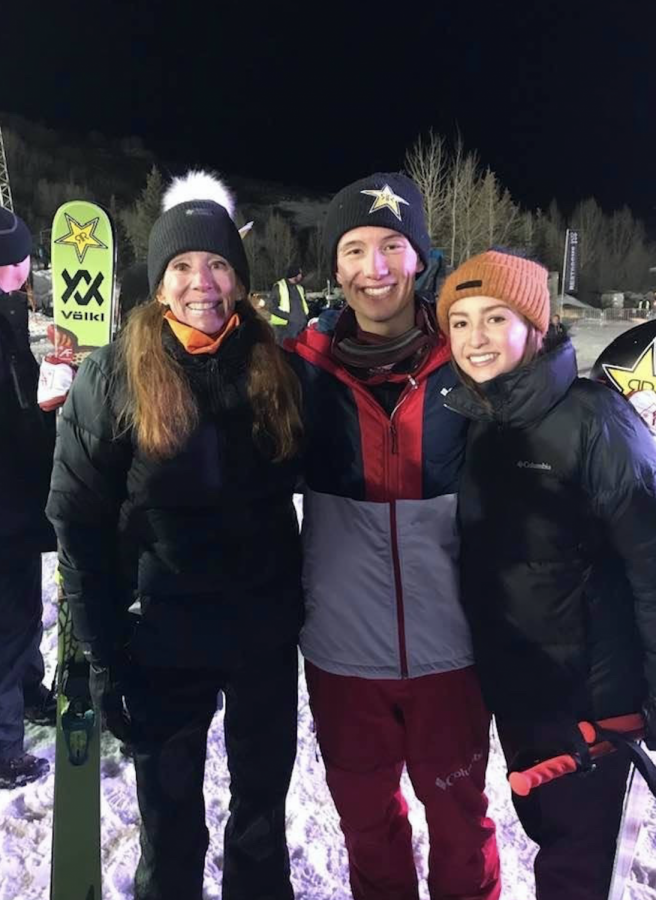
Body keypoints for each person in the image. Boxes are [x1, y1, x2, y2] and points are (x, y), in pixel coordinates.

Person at [46, 171, 304, 900]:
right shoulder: (113, 376)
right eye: (183, 266)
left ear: (240, 277)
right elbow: (78, 522)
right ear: (159, 282)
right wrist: (103, 660)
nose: (202, 282)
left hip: (259, 639)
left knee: (260, 819)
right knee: (171, 824)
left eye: (219, 263)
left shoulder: (273, 367)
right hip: (161, 640)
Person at [286, 173, 500, 900]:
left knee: (462, 824)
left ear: (420, 259)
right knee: (368, 829)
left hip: (452, 651)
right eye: (354, 248)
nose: (373, 267)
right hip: (345, 657)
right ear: (335, 266)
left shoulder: (468, 363)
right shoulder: (299, 372)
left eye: (391, 246)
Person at [436, 248, 656, 900]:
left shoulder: (597, 423)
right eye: (459, 322)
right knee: (551, 843)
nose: (474, 338)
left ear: (535, 325)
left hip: (594, 707)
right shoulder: (482, 423)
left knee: (576, 872)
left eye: (494, 317)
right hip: (522, 701)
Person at [0, 208, 57, 789]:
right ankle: (2, 746)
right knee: (8, 621)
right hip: (5, 506)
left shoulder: (10, 317)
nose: (32, 268)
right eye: (24, 260)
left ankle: (29, 687)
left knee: (25, 609)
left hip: (16, 503)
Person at [269, 264, 309, 343]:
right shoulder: (279, 287)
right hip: (284, 328)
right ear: (295, 275)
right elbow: (272, 308)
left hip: (300, 327)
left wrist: (305, 317)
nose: (301, 276)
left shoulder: (300, 288)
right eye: (300, 274)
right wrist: (289, 316)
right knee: (284, 352)